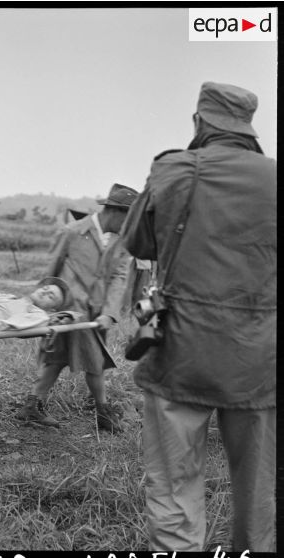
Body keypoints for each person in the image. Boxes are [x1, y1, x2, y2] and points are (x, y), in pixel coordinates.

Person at [122, 82, 275, 552]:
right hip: (259, 358)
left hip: (180, 352)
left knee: (173, 484)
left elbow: (138, 244)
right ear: (247, 126)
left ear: (200, 123)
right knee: (260, 489)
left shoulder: (174, 169)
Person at [16, 183, 138, 431]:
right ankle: (102, 412)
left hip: (96, 314)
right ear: (116, 212)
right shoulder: (72, 231)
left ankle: (32, 405)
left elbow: (119, 278)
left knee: (61, 359)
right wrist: (42, 306)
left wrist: (109, 313)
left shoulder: (123, 242)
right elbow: (51, 269)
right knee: (92, 359)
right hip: (69, 312)